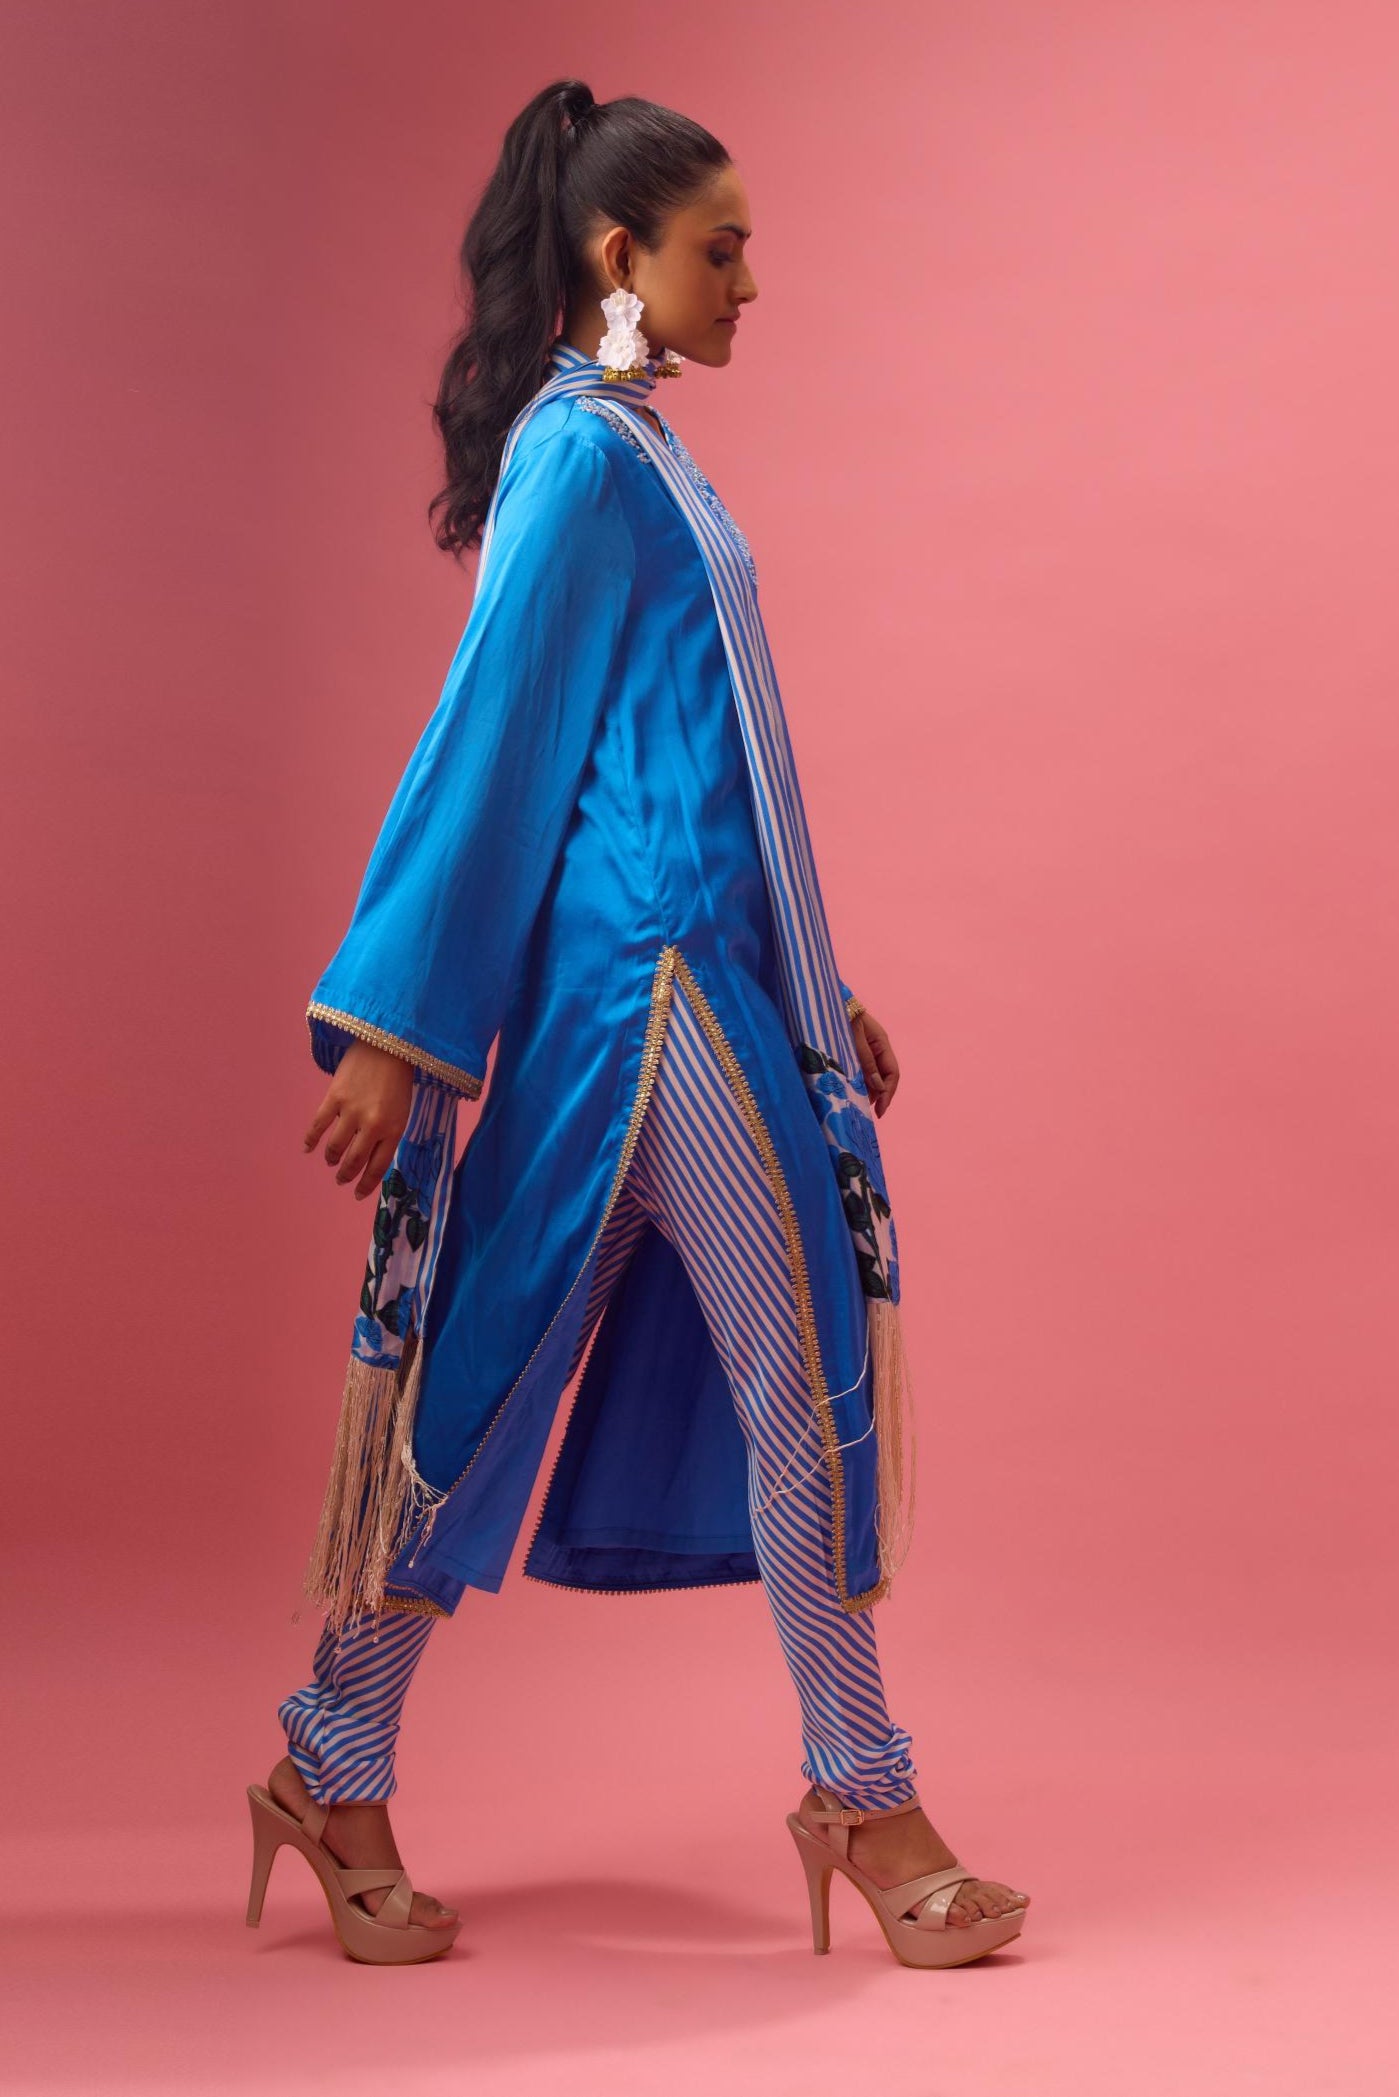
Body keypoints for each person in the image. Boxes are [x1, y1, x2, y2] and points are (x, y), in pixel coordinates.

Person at [244, 78, 1031, 1970]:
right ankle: (862, 1794)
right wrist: (397, 1025)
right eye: (720, 249)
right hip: (645, 991)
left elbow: (684, 760)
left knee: (516, 1364)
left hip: (699, 971)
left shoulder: (640, 450)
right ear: (622, 255)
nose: (750, 283)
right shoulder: (585, 459)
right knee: (790, 1376)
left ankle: (333, 1757)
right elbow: (494, 732)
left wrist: (813, 975)